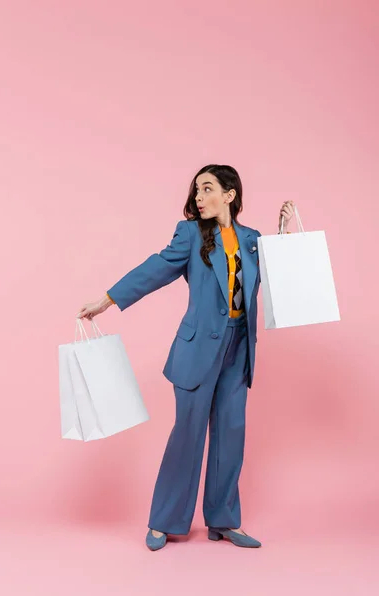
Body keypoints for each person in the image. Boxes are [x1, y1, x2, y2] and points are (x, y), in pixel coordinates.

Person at [77, 164, 295, 551]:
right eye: (196, 190)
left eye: (207, 189)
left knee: (231, 435)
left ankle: (224, 521)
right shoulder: (191, 235)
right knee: (187, 435)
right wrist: (107, 300)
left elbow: (273, 280)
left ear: (229, 195)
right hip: (197, 350)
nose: (198, 196)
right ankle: (164, 520)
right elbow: (156, 268)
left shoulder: (252, 239)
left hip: (239, 347)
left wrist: (284, 236)